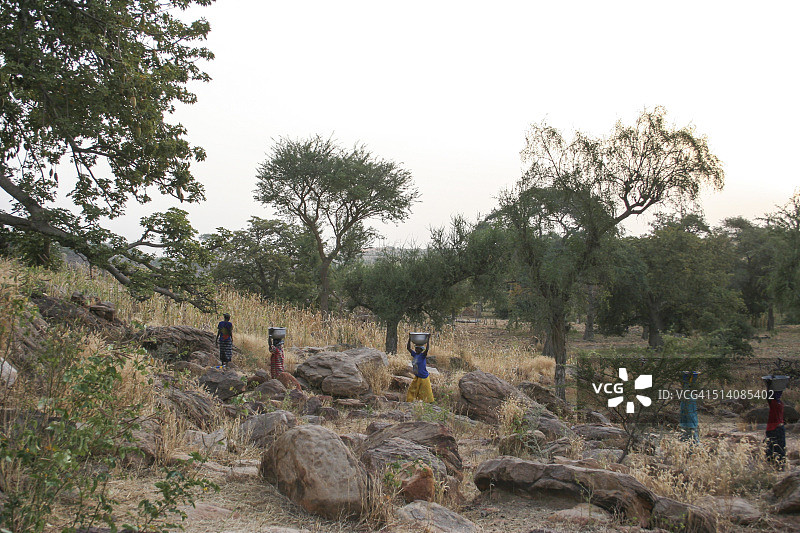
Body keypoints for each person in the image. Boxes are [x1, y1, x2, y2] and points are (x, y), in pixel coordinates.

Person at [406, 338, 434, 403]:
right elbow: (408, 348)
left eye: (418, 349)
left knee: (424, 392)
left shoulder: (422, 356)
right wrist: (410, 339)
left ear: (421, 350)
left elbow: (427, 349)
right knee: (412, 390)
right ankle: (409, 402)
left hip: (424, 377)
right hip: (417, 376)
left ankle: (427, 404)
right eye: (416, 348)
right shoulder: (415, 355)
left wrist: (427, 340)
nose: (416, 350)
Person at [766, 385, 786, 469]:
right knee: (772, 447)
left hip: (780, 427)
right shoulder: (773, 402)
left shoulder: (779, 402)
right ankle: (772, 465)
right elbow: (768, 396)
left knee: (781, 447)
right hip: (773, 428)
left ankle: (780, 465)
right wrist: (770, 385)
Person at [679, 371, 700, 444]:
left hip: (688, 426)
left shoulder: (687, 399)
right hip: (690, 426)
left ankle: (689, 376)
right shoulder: (689, 399)